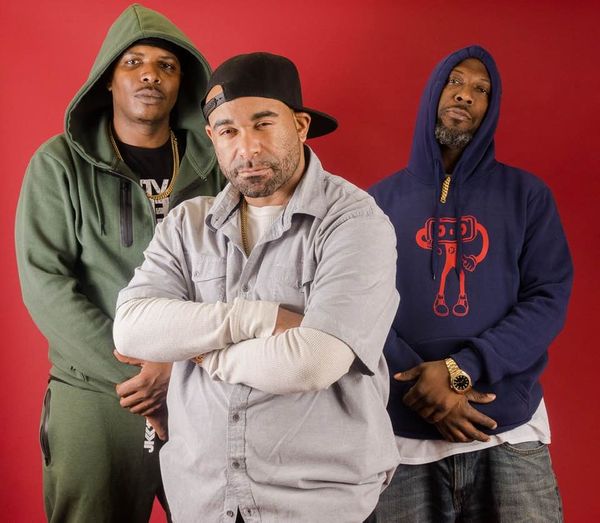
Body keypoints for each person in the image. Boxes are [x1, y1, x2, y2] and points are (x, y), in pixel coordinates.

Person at [113, 52, 400, 523]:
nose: (246, 148)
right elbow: (131, 329)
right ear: (212, 138)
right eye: (228, 131)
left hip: (315, 505)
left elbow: (313, 362)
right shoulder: (187, 225)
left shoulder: (353, 221)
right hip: (203, 500)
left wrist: (200, 353)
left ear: (300, 126)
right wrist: (260, 318)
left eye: (263, 124)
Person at [15, 4, 221, 521]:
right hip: (96, 389)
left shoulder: (215, 165)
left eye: (166, 66)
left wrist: (177, 367)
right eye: (133, 62)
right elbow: (46, 283)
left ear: (183, 84)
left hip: (200, 386)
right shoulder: (59, 164)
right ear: (107, 79)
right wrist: (137, 372)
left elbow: (243, 272)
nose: (151, 74)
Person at [369, 45, 573, 522]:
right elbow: (361, 306)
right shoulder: (375, 203)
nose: (465, 95)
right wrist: (423, 386)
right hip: (403, 439)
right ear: (433, 93)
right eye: (455, 81)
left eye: (481, 90)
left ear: (490, 108)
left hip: (507, 431)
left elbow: (548, 297)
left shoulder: (527, 196)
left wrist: (460, 369)